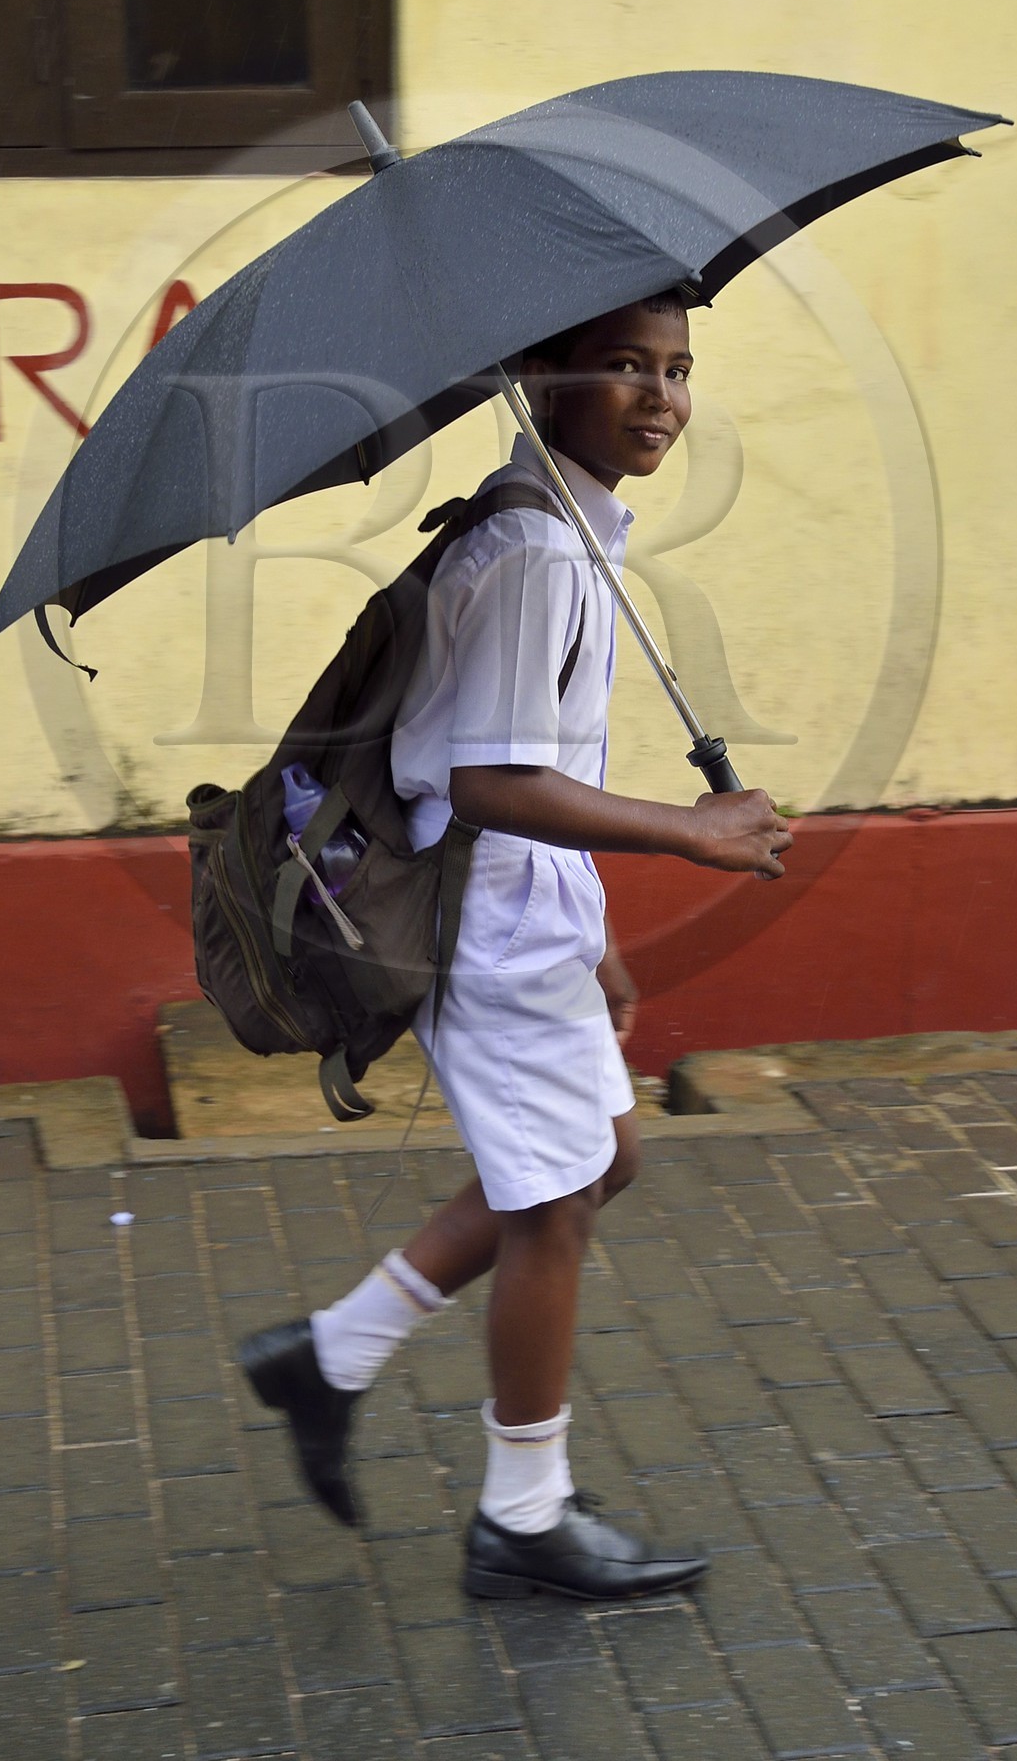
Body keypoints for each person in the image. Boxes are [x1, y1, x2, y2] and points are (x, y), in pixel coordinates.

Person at [240, 291, 792, 1599]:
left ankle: (332, 1354)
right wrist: (689, 830)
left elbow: (538, 768)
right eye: (622, 367)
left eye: (677, 370)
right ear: (540, 376)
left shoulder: (552, 530)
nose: (660, 397)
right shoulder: (536, 552)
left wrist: (595, 927)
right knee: (553, 1208)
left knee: (602, 1159)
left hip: (533, 917)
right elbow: (489, 781)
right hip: (489, 930)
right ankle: (523, 1518)